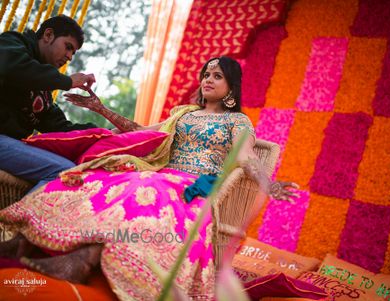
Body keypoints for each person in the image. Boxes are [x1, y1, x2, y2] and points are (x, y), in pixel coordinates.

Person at [0, 56, 298, 300]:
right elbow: (142, 132)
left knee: (147, 186)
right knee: (96, 178)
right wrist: (100, 109)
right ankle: (24, 241)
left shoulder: (237, 121)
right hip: (159, 173)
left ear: (232, 87)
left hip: (194, 185)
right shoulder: (183, 114)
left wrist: (268, 183)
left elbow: (246, 156)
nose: (208, 79)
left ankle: (84, 260)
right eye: (206, 74)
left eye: (217, 76)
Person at [0, 15, 97, 191]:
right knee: (65, 171)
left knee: (74, 170)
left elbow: (62, 128)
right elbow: (12, 67)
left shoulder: (43, 90)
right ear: (48, 35)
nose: (69, 57)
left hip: (7, 144)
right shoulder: (11, 43)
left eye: (73, 53)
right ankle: (14, 219)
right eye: (68, 47)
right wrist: (67, 82)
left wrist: (105, 132)